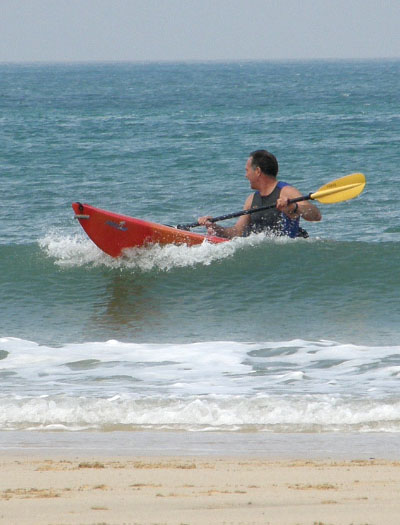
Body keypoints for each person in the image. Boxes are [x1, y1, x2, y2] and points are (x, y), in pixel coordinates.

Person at [198, 150, 321, 239]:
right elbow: (237, 232)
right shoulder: (251, 200)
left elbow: (316, 215)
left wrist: (294, 207)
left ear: (257, 171)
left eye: (247, 171)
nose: (246, 176)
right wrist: (215, 227)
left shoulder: (286, 191)